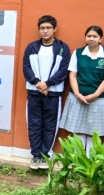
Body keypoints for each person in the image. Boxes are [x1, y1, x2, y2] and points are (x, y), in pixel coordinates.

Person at [22, 15, 71, 170]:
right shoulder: (31, 47)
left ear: (54, 29)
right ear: (39, 30)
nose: (45, 31)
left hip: (53, 93)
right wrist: (38, 83)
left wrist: (48, 84)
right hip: (34, 92)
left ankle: (45, 155)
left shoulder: (63, 48)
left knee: (50, 125)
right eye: (42, 28)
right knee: (34, 124)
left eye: (48, 28)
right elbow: (26, 68)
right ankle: (36, 155)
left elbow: (63, 70)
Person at [59, 26, 104, 153]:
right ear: (85, 38)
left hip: (99, 100)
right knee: (78, 130)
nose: (91, 39)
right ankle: (78, 161)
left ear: (100, 39)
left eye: (95, 36)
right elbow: (72, 75)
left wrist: (95, 95)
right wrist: (78, 94)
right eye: (89, 36)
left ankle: (89, 162)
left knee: (94, 132)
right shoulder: (78, 53)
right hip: (78, 98)